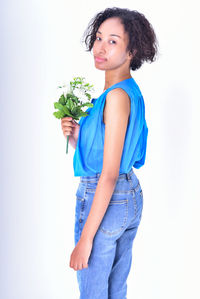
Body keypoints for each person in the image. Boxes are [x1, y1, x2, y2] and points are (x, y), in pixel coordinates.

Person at [61, 7, 158, 299]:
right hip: (128, 196)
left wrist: (85, 240)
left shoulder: (115, 98)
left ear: (133, 50)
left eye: (113, 41)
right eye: (99, 37)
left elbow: (108, 174)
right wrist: (79, 136)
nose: (100, 47)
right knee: (116, 290)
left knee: (93, 294)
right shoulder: (128, 91)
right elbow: (111, 154)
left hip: (106, 198)